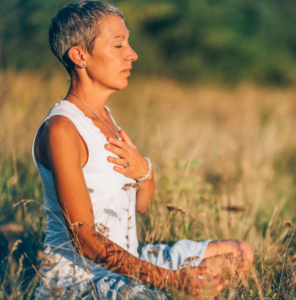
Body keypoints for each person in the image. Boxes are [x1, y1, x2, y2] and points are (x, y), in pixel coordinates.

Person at [32, 1, 254, 299]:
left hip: (130, 260)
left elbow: (142, 204)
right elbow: (85, 239)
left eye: (129, 43)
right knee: (183, 291)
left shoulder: (105, 117)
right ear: (80, 55)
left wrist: (145, 172)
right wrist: (170, 280)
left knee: (240, 253)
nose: (132, 54)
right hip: (81, 282)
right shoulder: (61, 129)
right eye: (118, 44)